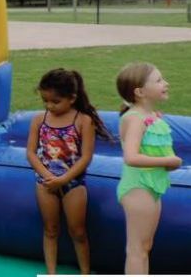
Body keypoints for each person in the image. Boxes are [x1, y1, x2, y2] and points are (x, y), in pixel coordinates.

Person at [26, 68, 110, 275]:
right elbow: (30, 153)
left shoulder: (83, 120)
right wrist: (47, 176)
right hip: (45, 183)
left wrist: (63, 179)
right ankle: (51, 272)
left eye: (55, 102)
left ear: (72, 98)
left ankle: (85, 272)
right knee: (50, 230)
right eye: (45, 101)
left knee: (78, 232)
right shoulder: (39, 119)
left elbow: (86, 157)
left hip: (73, 184)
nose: (49, 106)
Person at [116, 62, 182, 275]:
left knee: (144, 247)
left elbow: (152, 150)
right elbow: (131, 157)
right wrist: (168, 162)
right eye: (159, 80)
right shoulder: (135, 119)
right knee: (137, 250)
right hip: (138, 187)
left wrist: (167, 160)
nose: (166, 83)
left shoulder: (150, 117)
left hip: (149, 187)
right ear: (140, 92)